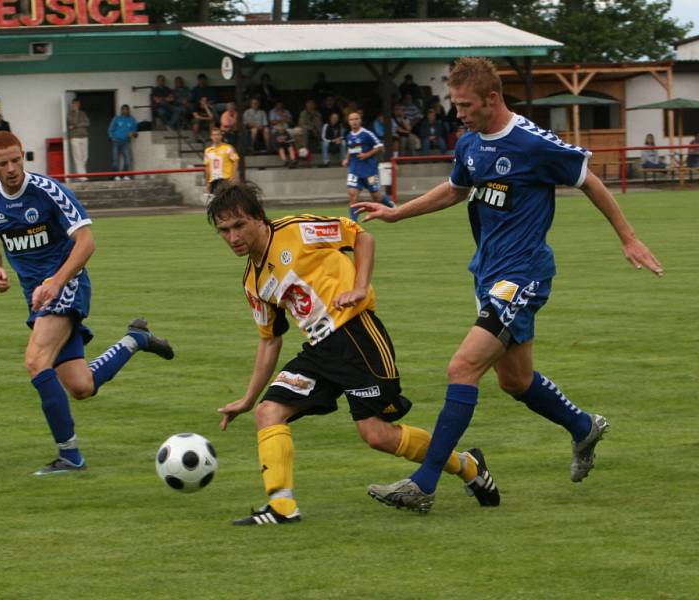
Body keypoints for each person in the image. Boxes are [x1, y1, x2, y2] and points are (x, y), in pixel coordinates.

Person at [355, 57, 663, 514]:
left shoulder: (533, 143)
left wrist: (629, 238)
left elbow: (589, 181)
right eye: (454, 104)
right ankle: (583, 427)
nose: (458, 113)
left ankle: (424, 484)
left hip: (522, 276)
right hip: (488, 272)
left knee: (462, 368)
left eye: (465, 105)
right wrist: (397, 212)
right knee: (515, 380)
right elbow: (456, 189)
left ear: (492, 98)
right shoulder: (471, 143)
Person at [208, 180, 499, 525]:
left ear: (258, 217)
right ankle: (282, 508)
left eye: (239, 225)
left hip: (357, 335)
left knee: (375, 434)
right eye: (224, 230)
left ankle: (466, 465)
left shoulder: (297, 230)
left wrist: (360, 287)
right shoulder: (253, 283)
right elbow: (270, 339)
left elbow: (361, 237)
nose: (233, 237)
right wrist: (247, 399)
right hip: (318, 351)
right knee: (268, 412)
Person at [0, 131, 175, 475]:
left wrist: (56, 281)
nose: (11, 168)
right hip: (35, 297)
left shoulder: (48, 191)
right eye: (2, 163)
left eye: (16, 159)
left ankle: (70, 457)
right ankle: (135, 339)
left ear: (24, 156)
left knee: (36, 362)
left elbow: (86, 242)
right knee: (81, 386)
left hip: (67, 285)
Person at [343, 111, 393, 221]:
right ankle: (353, 222)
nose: (354, 121)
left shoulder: (367, 134)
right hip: (354, 170)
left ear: (360, 120)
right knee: (352, 195)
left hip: (369, 171)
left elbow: (380, 146)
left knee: (376, 197)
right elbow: (350, 148)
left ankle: (392, 206)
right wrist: (347, 159)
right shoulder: (349, 135)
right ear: (348, 122)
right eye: (352, 119)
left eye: (356, 119)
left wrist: (367, 154)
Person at [203, 127, 239, 193]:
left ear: (221, 136)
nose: (216, 137)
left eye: (218, 134)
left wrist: (232, 177)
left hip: (225, 179)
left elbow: (235, 162)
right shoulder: (207, 151)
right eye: (214, 135)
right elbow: (207, 167)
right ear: (211, 137)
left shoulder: (228, 148)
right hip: (213, 180)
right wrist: (207, 182)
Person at [107, 104, 138, 179]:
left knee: (127, 158)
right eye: (123, 109)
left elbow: (135, 133)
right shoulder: (117, 118)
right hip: (116, 141)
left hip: (126, 142)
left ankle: (125, 175)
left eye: (126, 109)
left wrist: (133, 133)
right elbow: (110, 129)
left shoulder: (132, 119)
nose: (125, 111)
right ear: (121, 110)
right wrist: (112, 138)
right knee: (115, 159)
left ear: (128, 110)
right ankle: (116, 175)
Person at [67, 98, 90, 181]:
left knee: (85, 157)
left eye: (78, 104)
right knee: (78, 157)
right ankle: (82, 177)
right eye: (75, 104)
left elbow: (87, 123)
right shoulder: (70, 114)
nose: (76, 106)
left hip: (84, 136)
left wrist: (76, 126)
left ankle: (80, 174)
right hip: (75, 137)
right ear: (72, 105)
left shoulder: (83, 113)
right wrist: (76, 113)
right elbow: (72, 122)